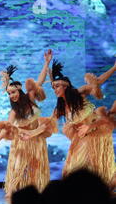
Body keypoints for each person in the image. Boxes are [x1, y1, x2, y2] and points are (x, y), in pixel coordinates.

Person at [0, 50, 56, 202]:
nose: (12, 95)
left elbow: (39, 81)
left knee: (37, 166)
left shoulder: (30, 98)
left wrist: (46, 63)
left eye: (13, 92)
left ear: (19, 90)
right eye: (9, 93)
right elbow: (7, 127)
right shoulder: (14, 111)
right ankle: (12, 190)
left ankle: (38, 190)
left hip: (36, 138)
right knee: (18, 166)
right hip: (21, 140)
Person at [49, 58, 115, 186]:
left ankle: (99, 189)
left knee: (93, 166)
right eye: (53, 87)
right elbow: (48, 122)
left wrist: (114, 67)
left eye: (57, 86)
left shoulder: (79, 94)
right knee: (72, 169)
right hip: (80, 138)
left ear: (65, 86)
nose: (55, 90)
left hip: (95, 131)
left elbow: (98, 81)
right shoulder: (60, 108)